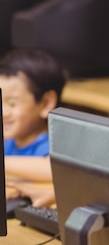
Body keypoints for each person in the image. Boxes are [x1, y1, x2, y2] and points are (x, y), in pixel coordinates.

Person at [1, 48, 65, 188]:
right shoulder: (9, 141)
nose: (3, 112)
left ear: (46, 103)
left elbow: (54, 170)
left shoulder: (52, 146)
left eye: (12, 103)